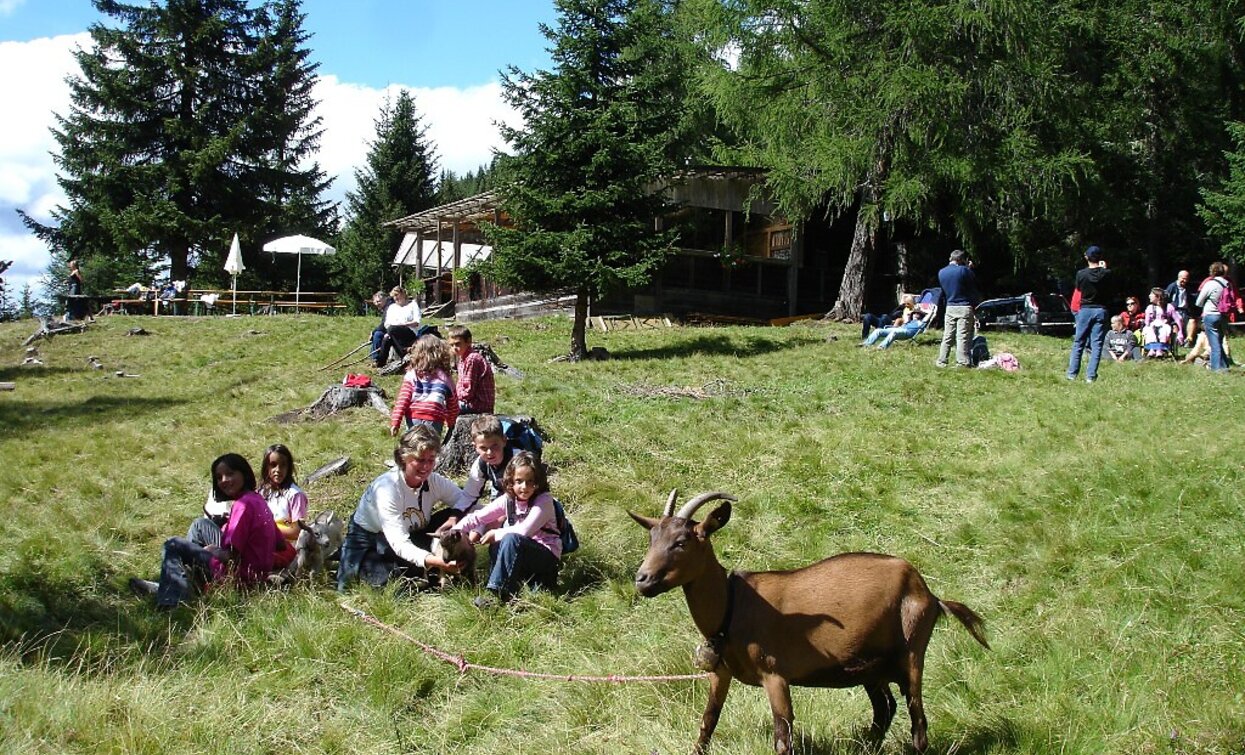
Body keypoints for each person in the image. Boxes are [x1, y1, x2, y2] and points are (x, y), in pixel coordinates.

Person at [130, 454, 282, 609]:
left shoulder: (242, 506)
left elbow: (231, 557)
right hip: (257, 571)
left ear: (244, 473)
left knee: (173, 544)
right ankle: (184, 583)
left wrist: (213, 551)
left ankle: (173, 600)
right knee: (200, 525)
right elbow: (280, 543)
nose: (224, 480)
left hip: (240, 576)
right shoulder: (257, 500)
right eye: (219, 477)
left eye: (230, 474)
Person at [336, 425, 468, 591]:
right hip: (372, 539)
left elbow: (466, 502)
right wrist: (435, 560)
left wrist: (457, 518)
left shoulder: (434, 481)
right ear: (403, 457)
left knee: (460, 514)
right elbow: (399, 542)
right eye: (420, 460)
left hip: (413, 532)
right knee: (394, 585)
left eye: (431, 460)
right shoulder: (387, 488)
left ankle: (444, 570)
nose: (426, 466)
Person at [451, 451, 562, 606]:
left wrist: (496, 532)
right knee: (498, 544)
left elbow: (524, 531)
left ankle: (496, 595)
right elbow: (478, 517)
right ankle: (507, 588)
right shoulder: (509, 500)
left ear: (538, 482)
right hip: (522, 554)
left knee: (510, 539)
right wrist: (455, 531)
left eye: (530, 481)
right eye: (519, 481)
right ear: (511, 482)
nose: (524, 487)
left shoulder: (544, 501)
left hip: (546, 557)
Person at [390, 334, 459, 438]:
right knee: (431, 448)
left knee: (413, 447)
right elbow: (453, 402)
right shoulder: (445, 377)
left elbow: (403, 400)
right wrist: (451, 422)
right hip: (434, 417)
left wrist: (396, 422)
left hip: (414, 417)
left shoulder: (412, 374)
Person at [1066, 245, 1114, 383]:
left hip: (1085, 309)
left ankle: (1072, 374)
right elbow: (1109, 283)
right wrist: (1103, 268)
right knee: (1096, 344)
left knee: (1078, 342)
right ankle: (1090, 376)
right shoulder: (1106, 273)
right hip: (1101, 310)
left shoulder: (1081, 274)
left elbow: (1079, 289)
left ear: (1086, 257)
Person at [258, 444, 309, 571]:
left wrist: (269, 530)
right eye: (273, 465)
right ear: (266, 467)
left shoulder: (295, 495)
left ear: (289, 467)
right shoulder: (261, 493)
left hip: (286, 547)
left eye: (283, 465)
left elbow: (297, 531)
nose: (278, 470)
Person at [457, 414, 514, 513]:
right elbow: (469, 495)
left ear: (504, 440)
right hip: (502, 496)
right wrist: (455, 516)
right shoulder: (481, 464)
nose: (489, 453)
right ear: (475, 447)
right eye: (483, 448)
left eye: (494, 446)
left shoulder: (518, 460)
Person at [935, 249, 981, 368]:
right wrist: (969, 268)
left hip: (950, 306)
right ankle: (962, 362)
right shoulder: (964, 270)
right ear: (961, 260)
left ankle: (942, 360)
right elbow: (972, 283)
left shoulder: (941, 272)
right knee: (963, 336)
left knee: (948, 335)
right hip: (964, 307)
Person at [447, 325, 496, 415]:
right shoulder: (462, 359)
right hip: (470, 403)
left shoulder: (472, 359)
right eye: (451, 345)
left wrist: (452, 397)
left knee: (443, 406)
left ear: (468, 341)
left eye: (457, 344)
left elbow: (468, 392)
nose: (454, 348)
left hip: (478, 406)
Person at [1195, 261, 1234, 372]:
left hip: (1211, 314)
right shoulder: (1228, 284)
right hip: (1224, 315)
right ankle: (1225, 366)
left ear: (1212, 271)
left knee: (1214, 343)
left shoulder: (1210, 284)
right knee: (1220, 341)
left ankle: (1216, 368)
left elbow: (1199, 302)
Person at [375, 286, 422, 368]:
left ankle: (404, 353)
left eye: (397, 295)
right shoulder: (392, 307)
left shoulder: (413, 305)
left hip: (409, 332)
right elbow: (387, 323)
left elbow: (416, 322)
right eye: (394, 296)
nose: (395, 298)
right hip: (393, 332)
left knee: (391, 329)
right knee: (387, 339)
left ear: (403, 294)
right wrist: (389, 332)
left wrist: (403, 325)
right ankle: (380, 363)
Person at [1141, 287, 1183, 358]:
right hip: (1152, 326)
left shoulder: (1169, 307)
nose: (1149, 296)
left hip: (1164, 326)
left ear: (1158, 296)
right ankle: (1152, 349)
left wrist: (1180, 333)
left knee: (1164, 330)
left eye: (1151, 294)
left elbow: (1177, 320)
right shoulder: (1149, 308)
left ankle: (1160, 349)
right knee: (1150, 330)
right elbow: (1147, 322)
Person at [860, 310, 926, 349]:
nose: (915, 315)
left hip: (907, 332)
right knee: (878, 330)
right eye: (914, 313)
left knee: (894, 332)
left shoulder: (920, 322)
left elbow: (922, 329)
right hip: (899, 329)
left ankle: (881, 347)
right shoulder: (909, 321)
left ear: (920, 316)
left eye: (917, 314)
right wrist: (906, 321)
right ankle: (866, 344)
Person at [1165, 270, 1199, 344]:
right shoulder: (1172, 287)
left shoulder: (1188, 288)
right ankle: (1177, 341)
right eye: (1183, 278)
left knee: (1192, 321)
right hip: (1175, 310)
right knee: (1175, 324)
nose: (1184, 280)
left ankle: (1189, 340)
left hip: (1186, 311)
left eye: (1186, 279)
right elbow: (1166, 298)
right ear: (1179, 277)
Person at [368, 290, 393, 365]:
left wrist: (373, 332)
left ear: (385, 298)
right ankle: (374, 357)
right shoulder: (387, 306)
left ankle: (376, 358)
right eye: (375, 302)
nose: (376, 304)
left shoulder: (390, 306)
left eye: (378, 301)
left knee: (377, 334)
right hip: (389, 328)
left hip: (394, 330)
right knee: (377, 333)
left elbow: (384, 324)